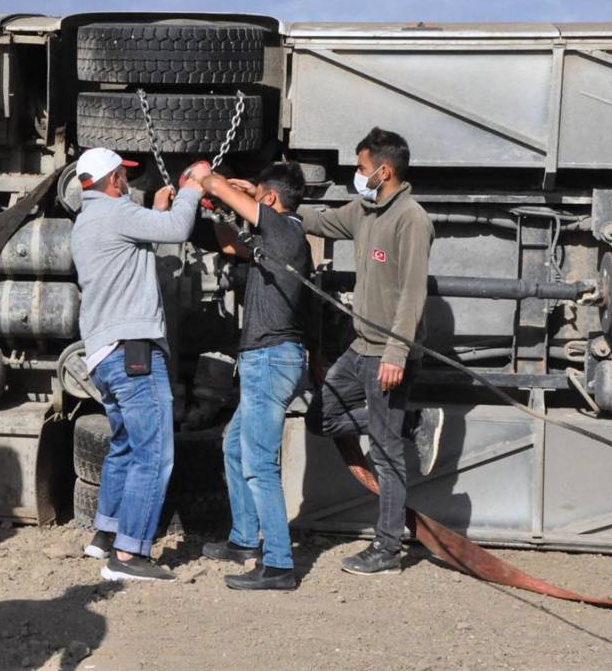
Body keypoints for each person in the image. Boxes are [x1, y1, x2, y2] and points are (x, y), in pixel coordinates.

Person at [299, 127, 443, 576]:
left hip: (387, 354)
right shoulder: (365, 210)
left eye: (361, 168)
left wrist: (397, 354)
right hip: (360, 347)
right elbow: (319, 221)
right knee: (321, 418)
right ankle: (413, 421)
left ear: (383, 170)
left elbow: (412, 294)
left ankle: (387, 547)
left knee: (384, 450)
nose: (357, 175)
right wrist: (270, 203)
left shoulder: (412, 219)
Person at [71, 147, 203, 582]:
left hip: (105, 354)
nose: (127, 182)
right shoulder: (115, 212)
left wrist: (154, 209)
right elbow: (179, 228)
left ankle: (104, 535)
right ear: (113, 181)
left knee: (125, 444)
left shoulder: (88, 220)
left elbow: (141, 235)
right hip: (134, 352)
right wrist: (190, 189)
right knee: (154, 452)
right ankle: (129, 557)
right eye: (123, 176)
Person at [189, 161, 313, 590]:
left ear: (271, 201)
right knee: (235, 449)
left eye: (258, 197)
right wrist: (230, 194)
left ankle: (278, 564)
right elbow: (229, 245)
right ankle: (245, 540)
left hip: (270, 359)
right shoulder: (275, 240)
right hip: (268, 360)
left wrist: (205, 177)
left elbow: (226, 195)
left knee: (259, 462)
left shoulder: (283, 230)